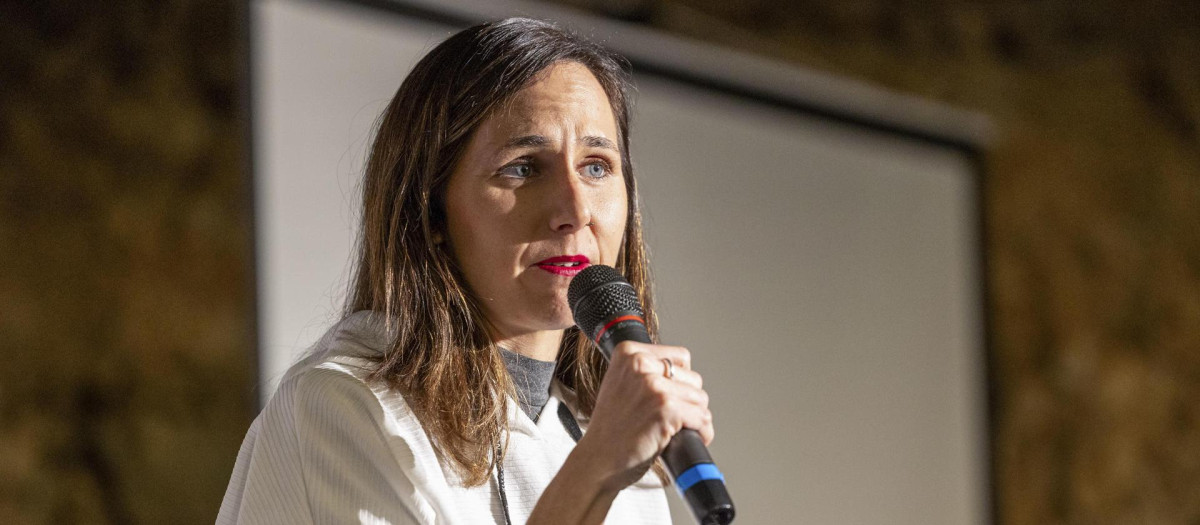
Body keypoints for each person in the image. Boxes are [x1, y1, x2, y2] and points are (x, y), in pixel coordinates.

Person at [217, 17, 714, 525]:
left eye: (596, 166)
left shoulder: (608, 436)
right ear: (431, 211)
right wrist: (596, 471)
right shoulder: (344, 409)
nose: (576, 207)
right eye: (523, 167)